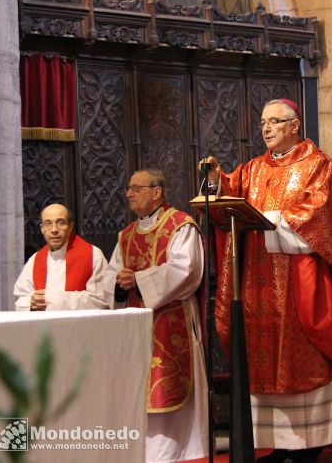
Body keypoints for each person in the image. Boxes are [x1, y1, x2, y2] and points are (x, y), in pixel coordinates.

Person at [202, 98, 332, 463]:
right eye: (263, 122)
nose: (266, 128)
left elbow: (321, 217)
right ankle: (280, 444)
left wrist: (268, 219)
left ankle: (311, 443)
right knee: (264, 363)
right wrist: (217, 181)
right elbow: (231, 195)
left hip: (298, 285)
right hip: (256, 280)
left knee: (300, 357)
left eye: (275, 121)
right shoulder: (253, 169)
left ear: (295, 125)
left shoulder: (317, 166)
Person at [103, 169, 208, 463]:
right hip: (137, 325)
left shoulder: (180, 226)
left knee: (170, 389)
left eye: (136, 188)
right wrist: (119, 283)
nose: (129, 194)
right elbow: (108, 277)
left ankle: (182, 450)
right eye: (129, 189)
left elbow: (186, 271)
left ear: (156, 192)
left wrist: (138, 280)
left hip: (172, 321)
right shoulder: (126, 235)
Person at [14, 203, 107, 311]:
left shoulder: (93, 255)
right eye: (48, 223)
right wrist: (31, 303)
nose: (54, 229)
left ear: (70, 226)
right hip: (44, 327)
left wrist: (52, 300)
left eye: (60, 222)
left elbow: (102, 301)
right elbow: (20, 299)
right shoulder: (35, 260)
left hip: (78, 326)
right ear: (42, 228)